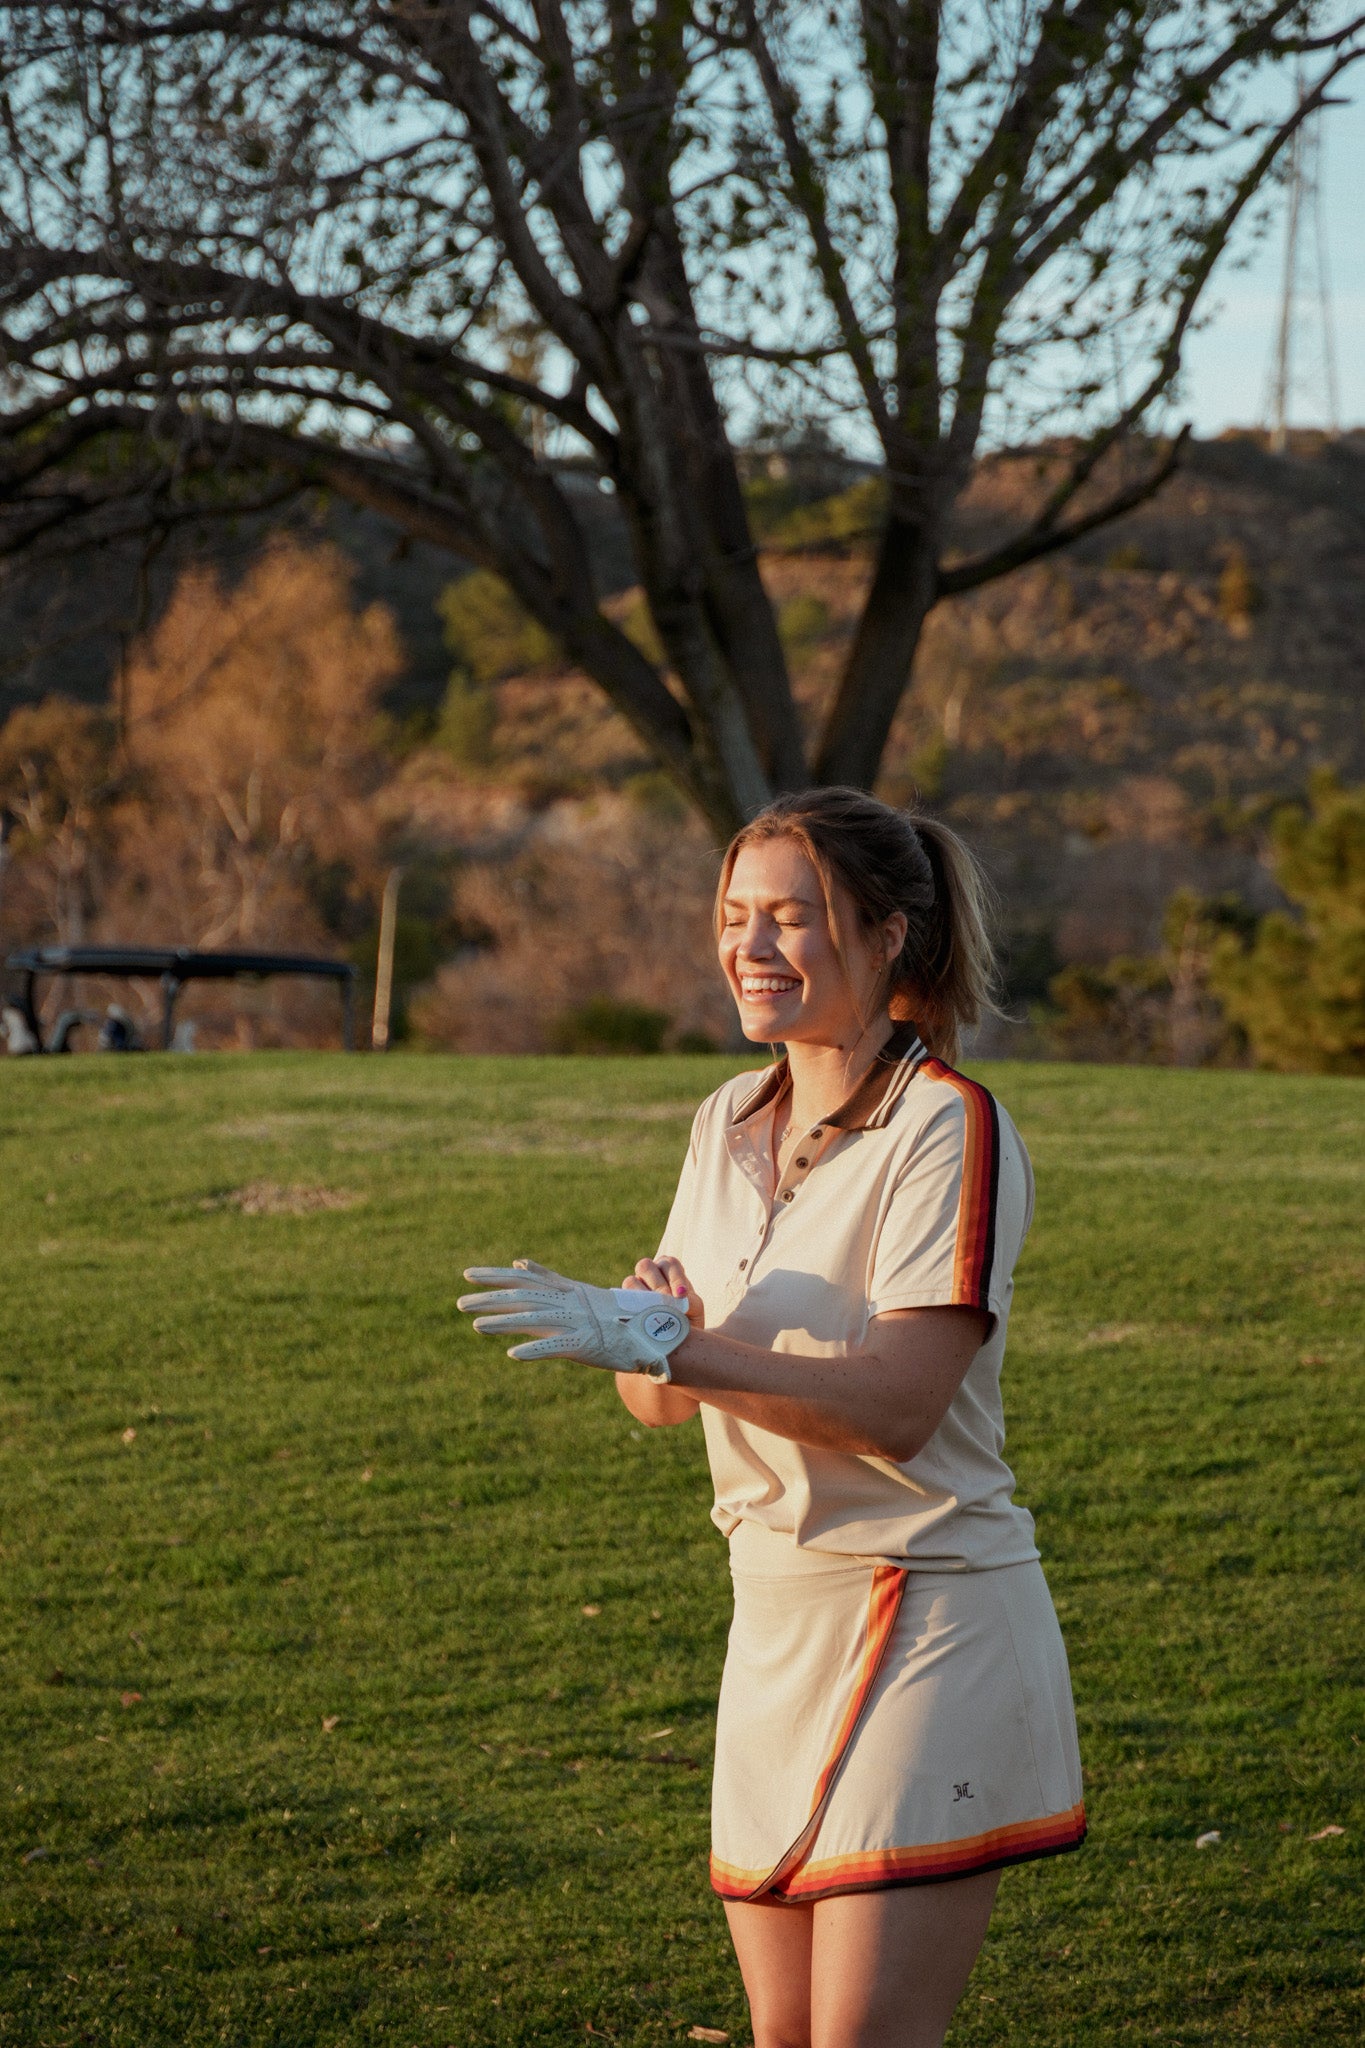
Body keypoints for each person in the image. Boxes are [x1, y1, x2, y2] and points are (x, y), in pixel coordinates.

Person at [459, 788, 1084, 2048]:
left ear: (887, 933)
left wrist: (680, 1344)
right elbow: (657, 1393)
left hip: (926, 1609)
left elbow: (903, 1406)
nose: (749, 944)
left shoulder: (945, 1125)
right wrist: (634, 1339)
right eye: (736, 913)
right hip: (771, 1621)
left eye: (790, 917)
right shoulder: (726, 1118)